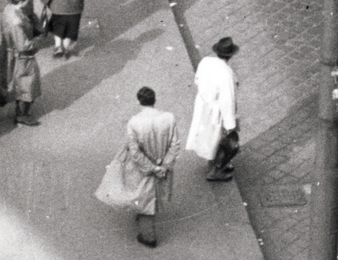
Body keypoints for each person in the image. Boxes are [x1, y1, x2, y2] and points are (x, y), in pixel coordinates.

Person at [95, 86, 181, 249]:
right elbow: (175, 145)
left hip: (142, 169)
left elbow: (135, 153)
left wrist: (151, 168)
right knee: (153, 195)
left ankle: (149, 237)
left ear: (138, 101)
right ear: (155, 100)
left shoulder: (134, 122)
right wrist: (164, 165)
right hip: (162, 165)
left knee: (144, 201)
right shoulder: (169, 118)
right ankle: (146, 224)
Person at [186, 37, 240, 181]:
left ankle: (213, 164)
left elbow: (197, 79)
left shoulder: (206, 61)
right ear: (230, 55)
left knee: (207, 136)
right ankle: (215, 171)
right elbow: (227, 101)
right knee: (218, 140)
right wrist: (231, 125)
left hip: (203, 105)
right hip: (216, 111)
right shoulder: (227, 74)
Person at [0, 0, 43, 126]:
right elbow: (23, 45)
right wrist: (38, 40)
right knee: (29, 84)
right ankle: (22, 115)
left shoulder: (9, 9)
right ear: (22, 0)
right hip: (23, 57)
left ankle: (19, 109)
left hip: (12, 54)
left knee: (19, 83)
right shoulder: (16, 22)